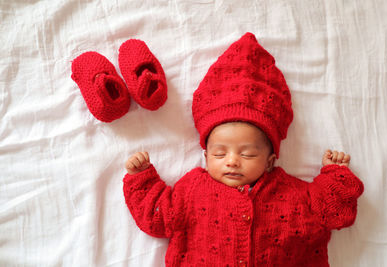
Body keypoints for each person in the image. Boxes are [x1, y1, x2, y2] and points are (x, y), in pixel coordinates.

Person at [122, 33, 364, 267]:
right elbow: (157, 217)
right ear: (206, 158)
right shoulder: (192, 191)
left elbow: (337, 214)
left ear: (270, 161)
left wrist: (335, 177)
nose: (232, 161)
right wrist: (142, 179)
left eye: (247, 154)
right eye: (219, 154)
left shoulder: (297, 195)